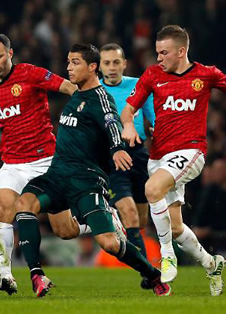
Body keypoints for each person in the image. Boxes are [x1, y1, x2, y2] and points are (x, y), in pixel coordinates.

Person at [121, 25, 226, 296]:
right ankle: (212, 264)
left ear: (181, 51)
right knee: (175, 228)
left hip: (191, 151)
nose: (159, 58)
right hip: (159, 156)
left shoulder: (205, 74)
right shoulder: (152, 75)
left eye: (164, 52)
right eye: (157, 52)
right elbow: (128, 110)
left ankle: (166, 257)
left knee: (151, 189)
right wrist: (128, 125)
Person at [14, 43, 171, 298]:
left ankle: (152, 274)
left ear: (92, 67)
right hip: (57, 175)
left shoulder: (101, 98)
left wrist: (118, 148)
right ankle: (37, 275)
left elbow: (111, 121)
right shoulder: (76, 95)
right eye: (68, 61)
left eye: (75, 62)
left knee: (109, 243)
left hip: (86, 181)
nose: (68, 67)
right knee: (24, 204)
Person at [0, 33, 77, 294]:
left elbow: (66, 87)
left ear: (10, 54)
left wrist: (89, 101)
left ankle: (101, 220)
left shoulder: (29, 73)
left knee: (65, 230)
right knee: (2, 208)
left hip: (45, 160)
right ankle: (5, 275)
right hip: (12, 163)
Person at [99, 43, 156, 288]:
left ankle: (124, 230)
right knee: (130, 212)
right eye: (106, 63)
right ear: (99, 67)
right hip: (111, 157)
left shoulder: (139, 86)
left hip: (139, 155)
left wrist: (156, 128)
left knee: (141, 221)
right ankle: (149, 275)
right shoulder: (93, 91)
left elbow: (154, 119)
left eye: (116, 62)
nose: (112, 68)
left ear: (124, 63)